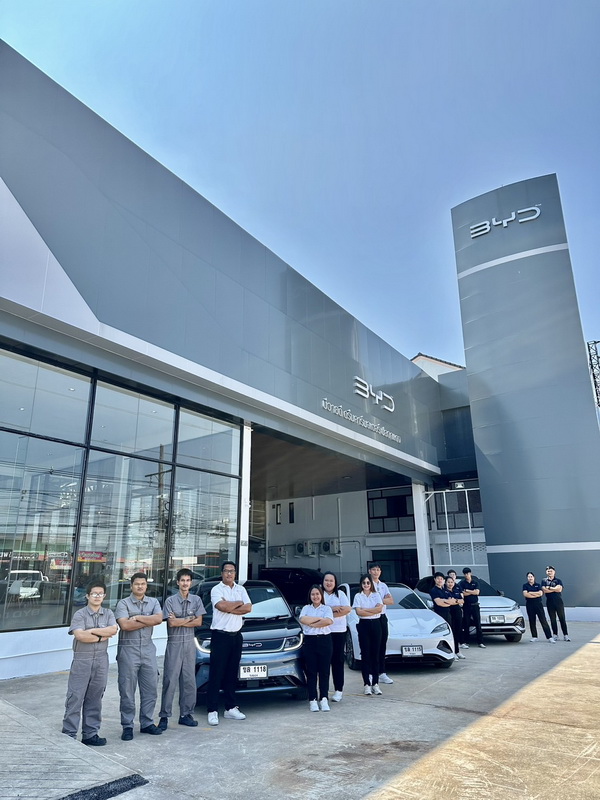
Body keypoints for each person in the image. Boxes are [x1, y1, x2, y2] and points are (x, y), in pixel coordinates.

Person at [62, 579, 118, 745]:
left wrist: (92, 631)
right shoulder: (80, 614)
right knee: (75, 697)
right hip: (82, 659)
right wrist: (102, 636)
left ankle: (90, 734)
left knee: (95, 697)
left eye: (100, 594)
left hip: (101, 660)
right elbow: (80, 636)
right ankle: (69, 735)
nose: (97, 596)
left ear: (104, 596)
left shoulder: (108, 614)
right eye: (94, 593)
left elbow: (113, 629)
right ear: (87, 596)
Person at [115, 572, 164, 740]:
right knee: (127, 690)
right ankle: (127, 726)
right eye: (137, 584)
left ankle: (147, 723)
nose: (140, 586)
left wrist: (137, 618)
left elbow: (158, 619)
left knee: (150, 689)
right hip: (128, 650)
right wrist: (147, 620)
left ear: (146, 586)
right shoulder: (123, 603)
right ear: (131, 586)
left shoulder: (154, 602)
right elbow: (125, 625)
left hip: (148, 650)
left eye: (143, 584)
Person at [158, 568, 206, 729]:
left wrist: (181, 620)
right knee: (170, 679)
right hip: (175, 643)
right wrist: (189, 618)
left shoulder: (196, 600)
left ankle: (186, 714)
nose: (185, 583)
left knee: (189, 680)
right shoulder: (170, 601)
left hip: (190, 643)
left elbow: (199, 622)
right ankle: (164, 716)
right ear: (178, 582)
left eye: (188, 580)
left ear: (191, 583)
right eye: (182, 580)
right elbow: (171, 623)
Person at [206, 561, 252, 726]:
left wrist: (231, 606)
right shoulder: (216, 589)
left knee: (232, 673)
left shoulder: (241, 589)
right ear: (222, 573)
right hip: (220, 636)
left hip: (236, 636)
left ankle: (230, 707)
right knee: (216, 673)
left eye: (232, 571)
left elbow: (248, 608)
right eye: (226, 571)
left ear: (235, 573)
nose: (229, 574)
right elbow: (221, 606)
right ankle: (212, 710)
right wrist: (237, 604)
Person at [299, 584, 334, 711]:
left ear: (321, 595)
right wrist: (319, 619)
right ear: (310, 596)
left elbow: (328, 621)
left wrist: (312, 623)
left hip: (325, 641)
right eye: (313, 594)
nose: (315, 596)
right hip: (310, 641)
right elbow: (303, 619)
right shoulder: (306, 608)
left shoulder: (327, 608)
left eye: (317, 594)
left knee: (324, 672)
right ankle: (312, 699)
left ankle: (324, 698)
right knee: (311, 672)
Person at [352, 574, 384, 696]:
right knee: (365, 654)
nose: (366, 585)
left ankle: (375, 683)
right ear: (361, 584)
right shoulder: (358, 596)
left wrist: (365, 610)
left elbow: (379, 610)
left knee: (375, 654)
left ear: (371, 584)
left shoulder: (376, 595)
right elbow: (359, 612)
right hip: (364, 625)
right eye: (364, 583)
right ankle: (366, 684)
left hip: (376, 624)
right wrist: (371, 610)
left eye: (368, 583)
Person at [322, 572, 351, 702]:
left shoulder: (340, 594)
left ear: (335, 582)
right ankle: (323, 691)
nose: (329, 583)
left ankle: (338, 690)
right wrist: (334, 609)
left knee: (338, 662)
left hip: (339, 631)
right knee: (324, 662)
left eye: (331, 581)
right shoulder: (319, 594)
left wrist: (327, 612)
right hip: (323, 632)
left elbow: (347, 610)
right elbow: (317, 612)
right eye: (326, 580)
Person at [368, 563, 394, 685]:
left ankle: (382, 672)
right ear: (369, 571)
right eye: (374, 569)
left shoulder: (383, 585)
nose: (376, 572)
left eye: (378, 569)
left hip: (382, 617)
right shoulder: (367, 584)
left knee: (382, 645)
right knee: (373, 646)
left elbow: (391, 600)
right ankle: (371, 673)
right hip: (371, 617)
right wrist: (382, 600)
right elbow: (367, 601)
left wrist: (378, 600)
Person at [523, 571, 554, 643]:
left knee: (543, 620)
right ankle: (534, 636)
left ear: (534, 577)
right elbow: (525, 594)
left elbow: (540, 593)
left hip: (538, 605)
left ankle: (549, 637)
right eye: (529, 577)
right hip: (530, 605)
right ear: (527, 578)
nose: (530, 578)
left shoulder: (538, 585)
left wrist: (530, 592)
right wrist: (535, 594)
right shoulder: (525, 585)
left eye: (531, 576)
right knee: (532, 621)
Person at [459, 568, 486, 648]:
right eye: (465, 574)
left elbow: (477, 592)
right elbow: (463, 594)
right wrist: (472, 591)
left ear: (470, 573)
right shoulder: (462, 583)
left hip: (475, 605)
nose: (466, 575)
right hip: (466, 605)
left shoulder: (475, 582)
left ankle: (480, 642)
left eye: (468, 573)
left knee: (478, 624)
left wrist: (468, 590)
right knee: (466, 624)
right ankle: (466, 642)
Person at [542, 566, 570, 641]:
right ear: (546, 572)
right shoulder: (544, 581)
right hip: (549, 602)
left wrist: (549, 588)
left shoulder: (558, 580)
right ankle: (555, 634)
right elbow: (544, 590)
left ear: (554, 572)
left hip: (558, 601)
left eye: (551, 571)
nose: (549, 572)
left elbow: (559, 589)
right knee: (552, 619)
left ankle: (565, 635)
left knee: (562, 618)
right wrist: (555, 589)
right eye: (548, 571)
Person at [445, 575, 465, 659]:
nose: (450, 584)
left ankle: (457, 651)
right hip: (449, 612)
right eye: (448, 582)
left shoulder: (456, 590)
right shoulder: (444, 591)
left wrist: (455, 600)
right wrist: (456, 601)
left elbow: (462, 601)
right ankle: (452, 652)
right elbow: (448, 602)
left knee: (458, 631)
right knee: (452, 632)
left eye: (452, 582)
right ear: (445, 583)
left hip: (458, 612)